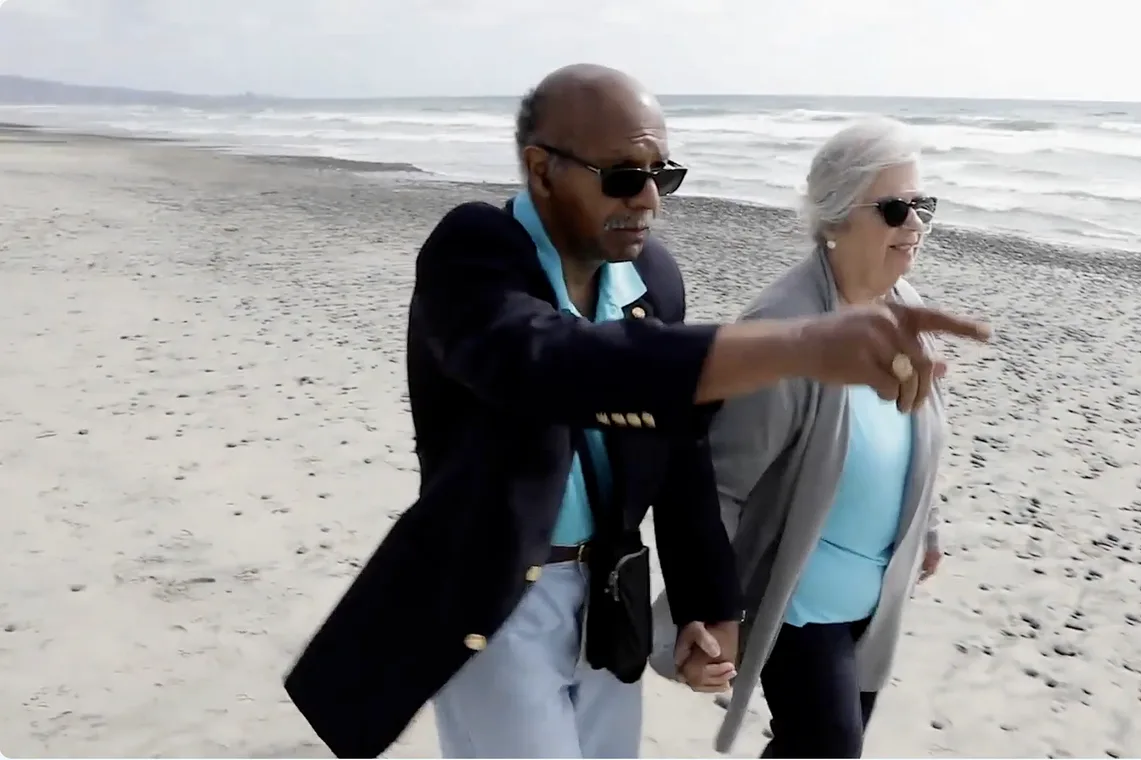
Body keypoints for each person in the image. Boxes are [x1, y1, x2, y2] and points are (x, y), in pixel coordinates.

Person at [283, 65, 990, 759]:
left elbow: (681, 455)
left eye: (664, 175)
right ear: (542, 169)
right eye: (624, 176)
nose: (649, 199)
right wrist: (795, 344)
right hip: (493, 601)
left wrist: (705, 605)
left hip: (609, 598)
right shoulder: (473, 250)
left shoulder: (654, 277)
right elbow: (547, 365)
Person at [656, 118, 955, 758]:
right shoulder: (785, 329)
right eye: (897, 208)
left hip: (875, 597)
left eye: (922, 205)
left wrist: (926, 528)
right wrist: (709, 611)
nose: (916, 225)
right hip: (800, 602)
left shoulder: (906, 305)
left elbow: (919, 437)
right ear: (838, 215)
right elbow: (722, 487)